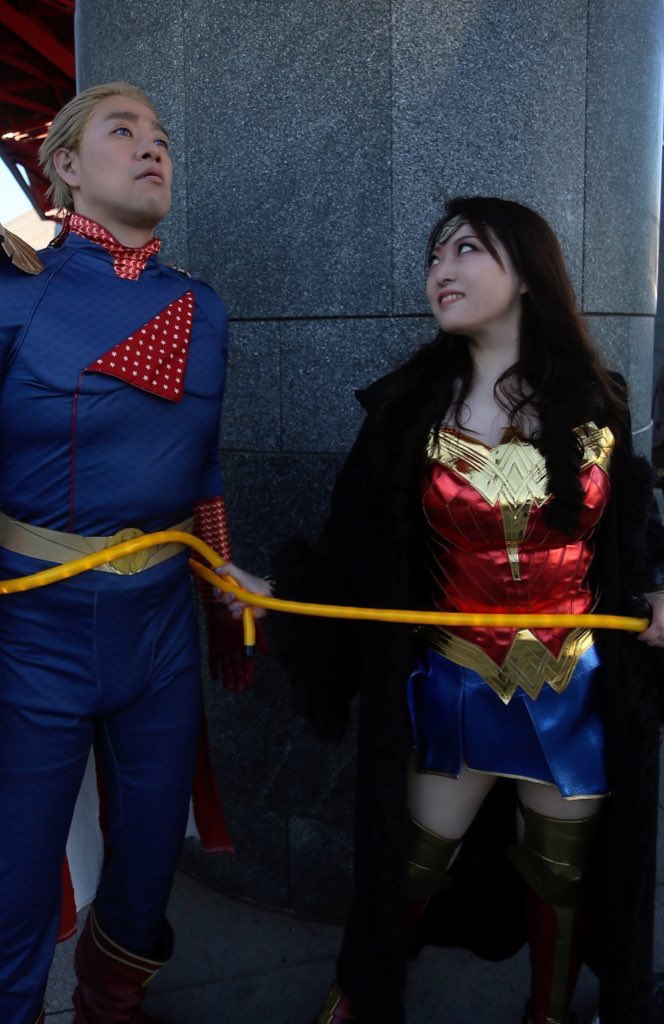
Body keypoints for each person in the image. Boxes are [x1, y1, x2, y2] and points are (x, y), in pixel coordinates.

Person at [224, 196, 664, 1024]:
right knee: (409, 865)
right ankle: (360, 998)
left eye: (466, 250)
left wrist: (661, 588)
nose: (440, 271)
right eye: (434, 256)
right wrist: (276, 598)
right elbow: (354, 548)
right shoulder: (407, 411)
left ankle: (549, 1016)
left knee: (565, 876)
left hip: (574, 684)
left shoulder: (598, 400)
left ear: (527, 273)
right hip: (454, 682)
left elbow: (633, 533)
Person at [0, 81, 255, 1024]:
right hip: (35, 639)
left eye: (162, 136)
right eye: (123, 130)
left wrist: (223, 599)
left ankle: (113, 999)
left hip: (162, 636)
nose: (153, 148)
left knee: (148, 868)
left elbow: (204, 471)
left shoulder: (204, 309)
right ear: (64, 164)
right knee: (12, 883)